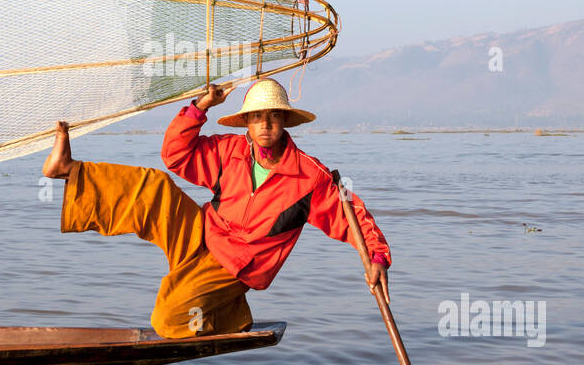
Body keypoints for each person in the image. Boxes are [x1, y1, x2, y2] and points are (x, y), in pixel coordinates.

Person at [42, 77, 392, 338]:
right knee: (154, 186)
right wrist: (200, 108)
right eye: (257, 117)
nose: (265, 124)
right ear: (247, 123)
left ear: (285, 122)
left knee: (168, 319)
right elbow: (176, 156)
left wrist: (376, 259)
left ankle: (225, 313)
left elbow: (353, 218)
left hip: (237, 265)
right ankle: (68, 170)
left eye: (273, 117)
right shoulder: (230, 151)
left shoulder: (309, 177)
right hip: (203, 234)